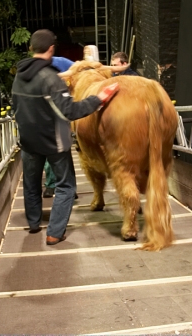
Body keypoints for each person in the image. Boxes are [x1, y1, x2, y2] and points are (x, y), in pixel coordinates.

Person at [12, 29, 119, 245]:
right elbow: (69, 111)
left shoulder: (19, 76)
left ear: (31, 48)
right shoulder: (50, 79)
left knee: (31, 183)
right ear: (51, 49)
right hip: (53, 142)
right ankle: (55, 232)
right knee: (66, 185)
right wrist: (98, 99)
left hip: (28, 141)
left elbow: (15, 107)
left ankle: (34, 224)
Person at [43, 55, 75, 199]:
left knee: (63, 152)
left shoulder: (61, 62)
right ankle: (51, 185)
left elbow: (77, 69)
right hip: (44, 114)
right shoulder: (35, 68)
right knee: (51, 153)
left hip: (60, 113)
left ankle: (68, 186)